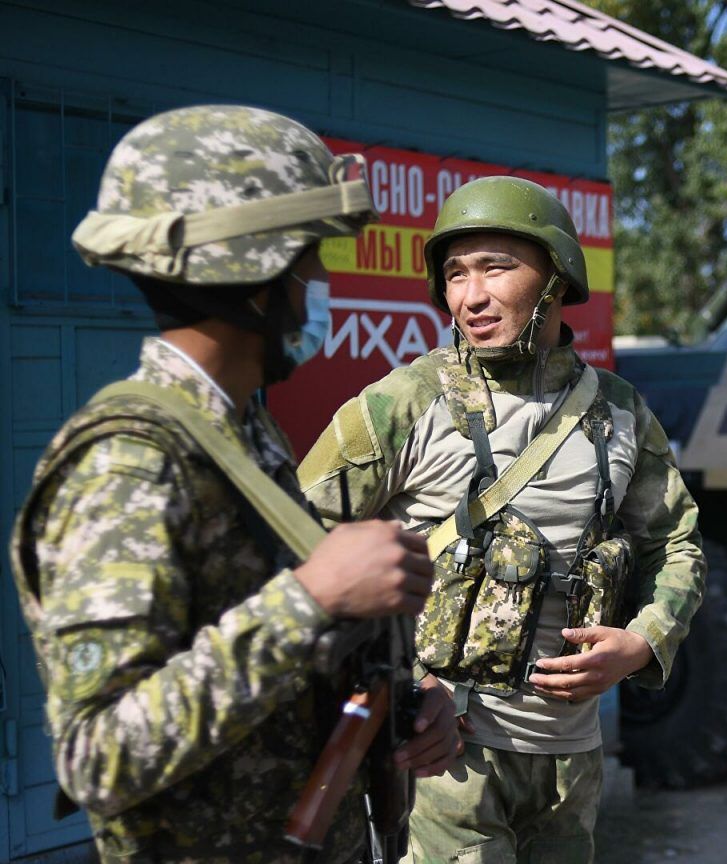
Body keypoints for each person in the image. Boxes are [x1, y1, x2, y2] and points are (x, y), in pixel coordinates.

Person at [8, 105, 460, 863]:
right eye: (310, 264)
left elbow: (268, 684)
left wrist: (404, 707)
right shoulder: (129, 463)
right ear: (252, 277)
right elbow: (98, 755)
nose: (320, 285)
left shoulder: (242, 433)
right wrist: (310, 598)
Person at [298, 175, 706, 863]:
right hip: (447, 759)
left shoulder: (619, 412)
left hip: (571, 759)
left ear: (556, 275)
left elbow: (675, 542)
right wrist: (398, 688)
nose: (470, 295)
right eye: (455, 273)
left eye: (496, 267)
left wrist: (643, 642)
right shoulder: (404, 403)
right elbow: (298, 552)